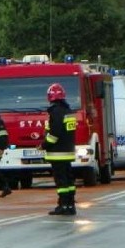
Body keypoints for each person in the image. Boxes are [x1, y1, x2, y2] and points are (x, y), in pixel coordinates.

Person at [42, 83, 78, 216]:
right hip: (68, 151)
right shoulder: (68, 111)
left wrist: (44, 144)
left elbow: (54, 134)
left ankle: (63, 205)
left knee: (61, 181)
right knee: (69, 180)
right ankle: (70, 205)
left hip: (57, 152)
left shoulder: (55, 112)